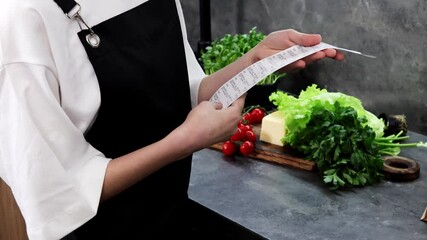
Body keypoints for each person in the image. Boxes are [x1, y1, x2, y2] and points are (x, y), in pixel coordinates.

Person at [0, 0, 344, 239]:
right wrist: (182, 143)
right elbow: (59, 194)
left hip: (170, 220)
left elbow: (186, 92)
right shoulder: (23, 16)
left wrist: (256, 61)